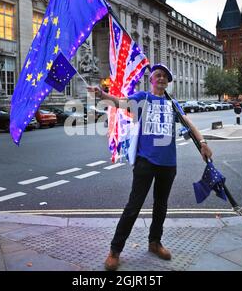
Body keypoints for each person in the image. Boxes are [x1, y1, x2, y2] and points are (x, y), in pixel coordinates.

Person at [87, 64, 213, 271]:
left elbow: (188, 123)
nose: (161, 78)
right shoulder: (142, 98)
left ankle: (155, 243)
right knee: (133, 207)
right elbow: (120, 103)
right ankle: (114, 251)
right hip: (146, 161)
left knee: (161, 206)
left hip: (168, 163)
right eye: (158, 75)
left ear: (167, 81)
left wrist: (203, 143)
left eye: (165, 76)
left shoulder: (172, 103)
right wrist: (102, 94)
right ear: (151, 80)